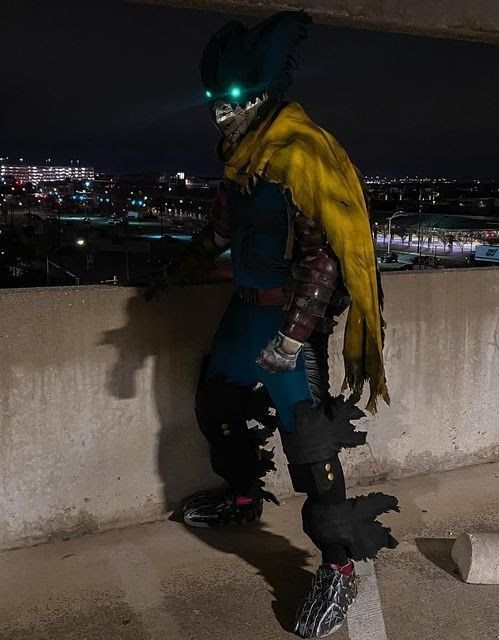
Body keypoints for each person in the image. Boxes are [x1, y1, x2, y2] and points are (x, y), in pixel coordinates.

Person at [148, 11, 399, 638]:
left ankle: (338, 569)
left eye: (229, 101)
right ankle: (241, 496)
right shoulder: (241, 153)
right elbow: (223, 228)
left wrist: (292, 338)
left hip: (289, 326)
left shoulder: (299, 152)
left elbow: (322, 257)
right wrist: (178, 268)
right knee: (218, 402)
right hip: (244, 312)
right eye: (214, 101)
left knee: (312, 448)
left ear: (259, 94)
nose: (219, 113)